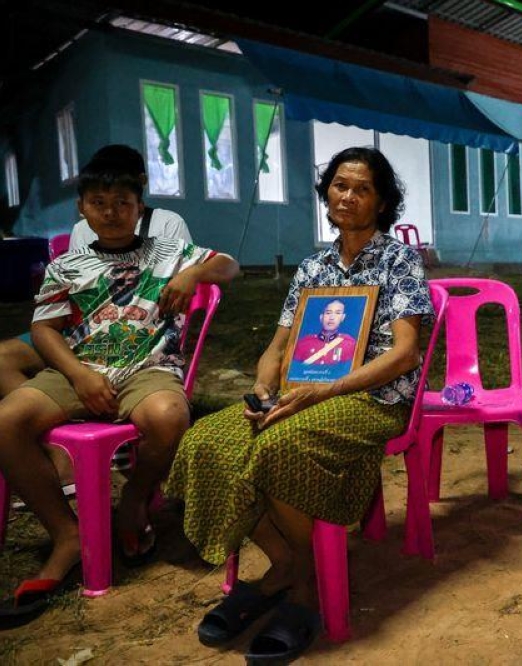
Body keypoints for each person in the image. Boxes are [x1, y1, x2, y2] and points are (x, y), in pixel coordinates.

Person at [165, 146, 433, 662]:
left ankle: (304, 589)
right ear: (326, 193)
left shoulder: (400, 262)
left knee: (282, 444)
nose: (348, 196)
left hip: (372, 399)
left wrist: (326, 390)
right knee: (208, 441)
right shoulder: (313, 268)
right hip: (299, 394)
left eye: (362, 189)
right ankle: (287, 563)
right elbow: (277, 347)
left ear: (382, 203)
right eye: (339, 185)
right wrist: (266, 387)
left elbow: (404, 355)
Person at [0, 151, 239, 626]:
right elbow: (45, 329)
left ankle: (133, 499)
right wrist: (78, 375)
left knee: (171, 415)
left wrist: (193, 272)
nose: (110, 211)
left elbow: (228, 266)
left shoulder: (166, 252)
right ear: (82, 209)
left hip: (147, 369)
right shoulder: (66, 265)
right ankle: (67, 535)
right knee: (7, 421)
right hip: (81, 366)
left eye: (122, 202)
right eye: (98, 202)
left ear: (139, 207)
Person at [291, 299, 358, 364]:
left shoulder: (350, 344)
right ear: (321, 317)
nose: (332, 317)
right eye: (328, 313)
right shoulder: (304, 344)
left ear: (342, 317)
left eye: (337, 313)